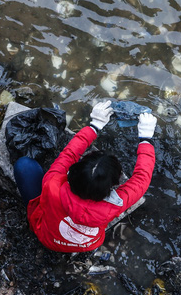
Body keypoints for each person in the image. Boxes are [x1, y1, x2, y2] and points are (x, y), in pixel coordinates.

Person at [14, 100, 157, 253]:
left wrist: (94, 126)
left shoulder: (53, 183)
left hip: (46, 236)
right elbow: (142, 179)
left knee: (24, 166)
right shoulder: (113, 206)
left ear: (73, 172)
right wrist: (145, 139)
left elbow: (69, 154)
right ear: (113, 186)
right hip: (86, 244)